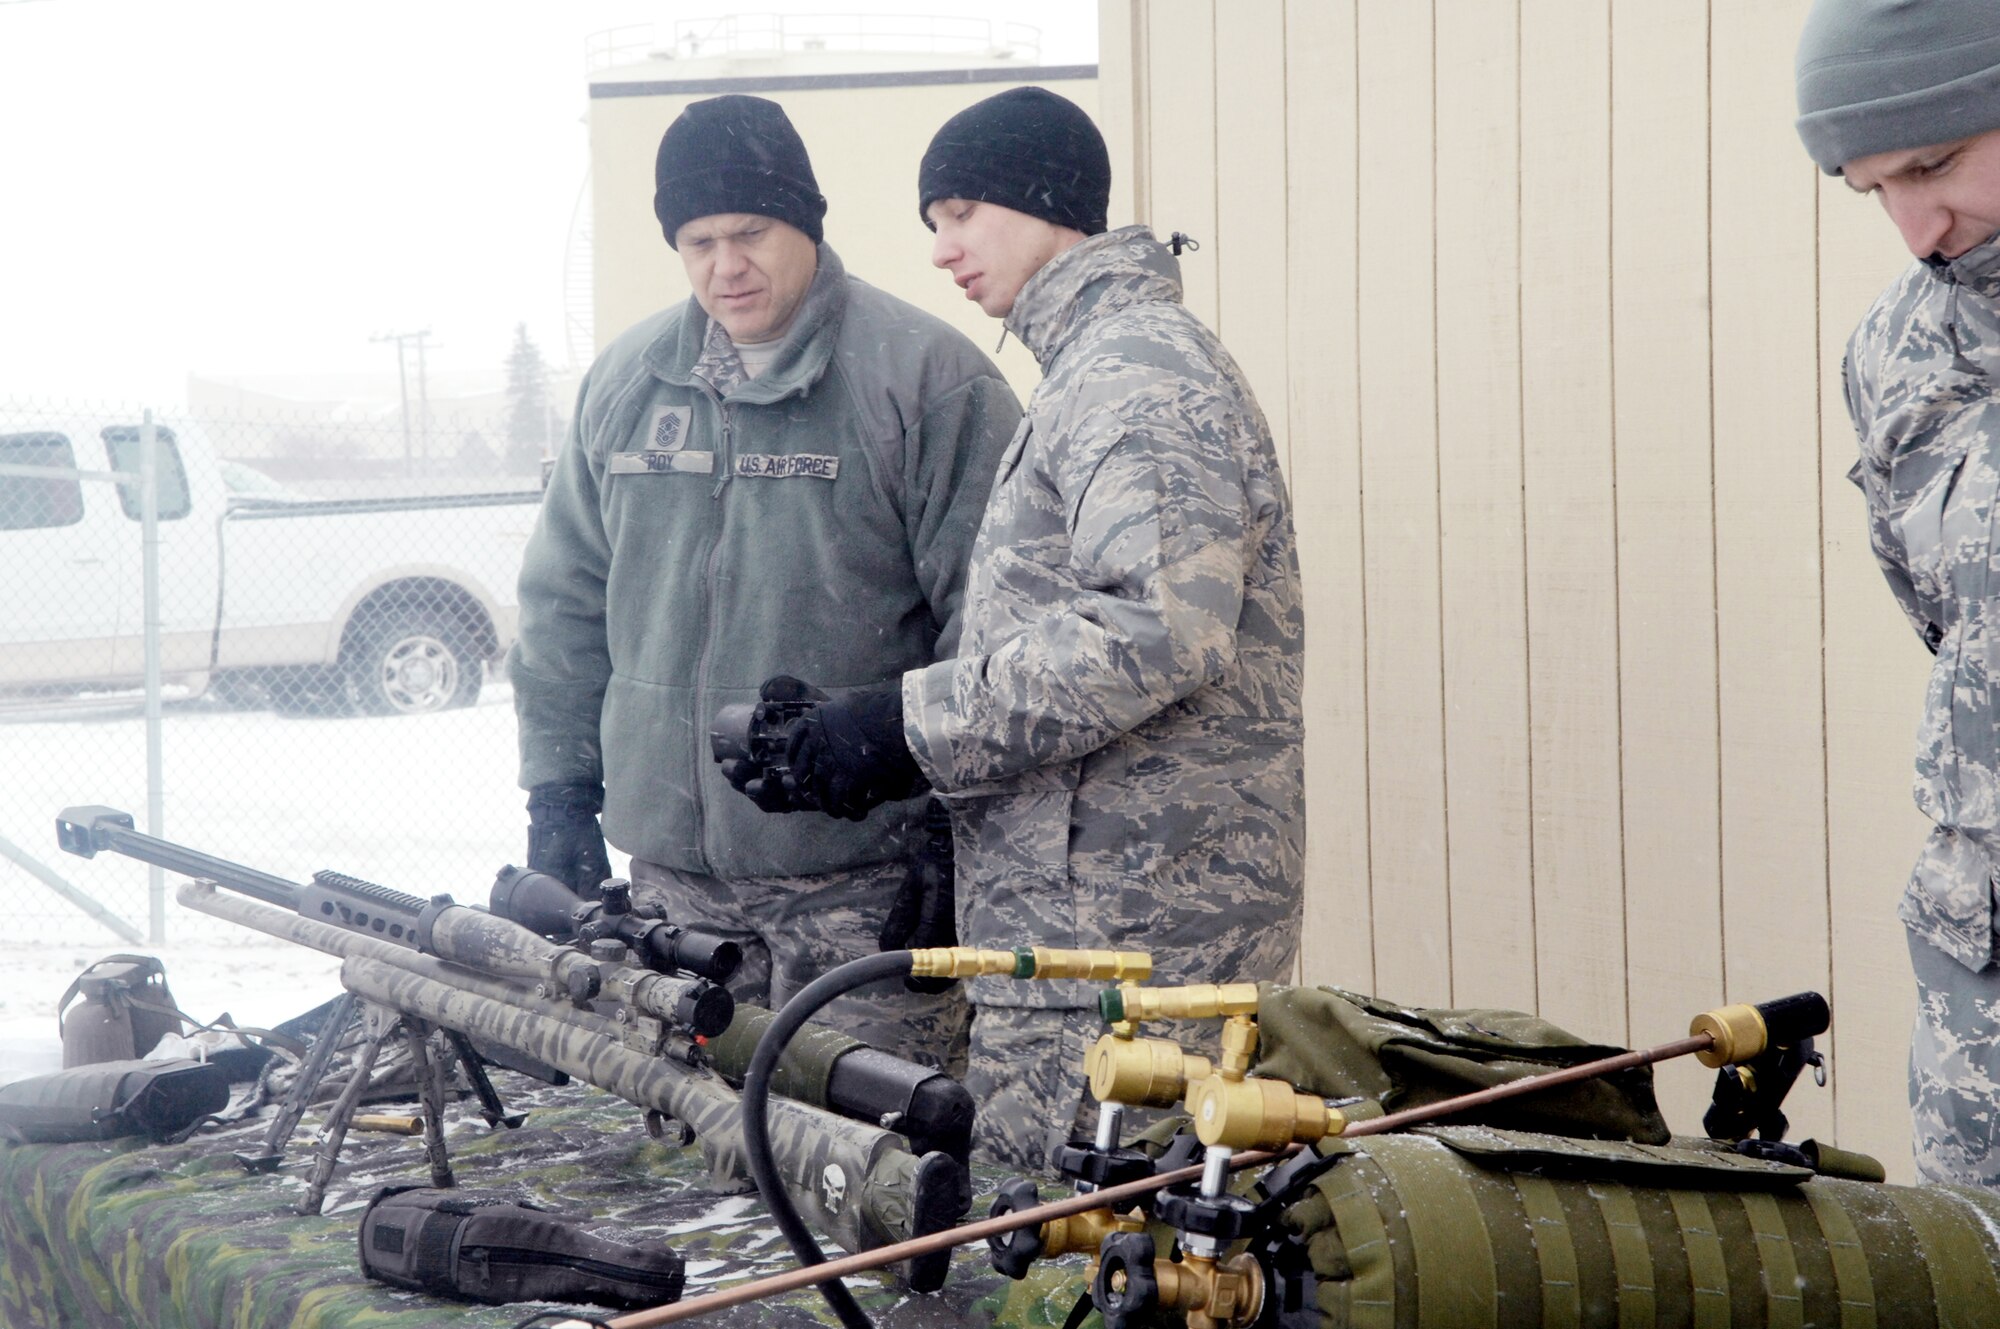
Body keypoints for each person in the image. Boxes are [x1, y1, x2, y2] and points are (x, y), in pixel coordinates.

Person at [735, 87, 1306, 1169]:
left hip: (1136, 931)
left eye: (959, 212)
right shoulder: (1090, 370)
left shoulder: (1134, 374)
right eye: (930, 224)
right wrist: (948, 814)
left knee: (1103, 1228)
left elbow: (1156, 630)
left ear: (1044, 200)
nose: (943, 250)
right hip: (1085, 913)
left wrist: (899, 725)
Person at [511, 94, 1020, 1068]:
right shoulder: (624, 387)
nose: (724, 265)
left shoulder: (925, 383)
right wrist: (559, 795)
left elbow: (992, 634)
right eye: (697, 240)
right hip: (674, 897)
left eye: (750, 232)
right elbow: (563, 608)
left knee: (866, 1174)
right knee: (686, 1170)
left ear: (806, 226)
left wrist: (955, 839)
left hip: (865, 889)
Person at [1797, 0, 2000, 1188]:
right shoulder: (1893, 353)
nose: (1917, 229)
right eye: (1872, 188)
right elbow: (1945, 624)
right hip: (1981, 964)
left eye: (1935, 164)